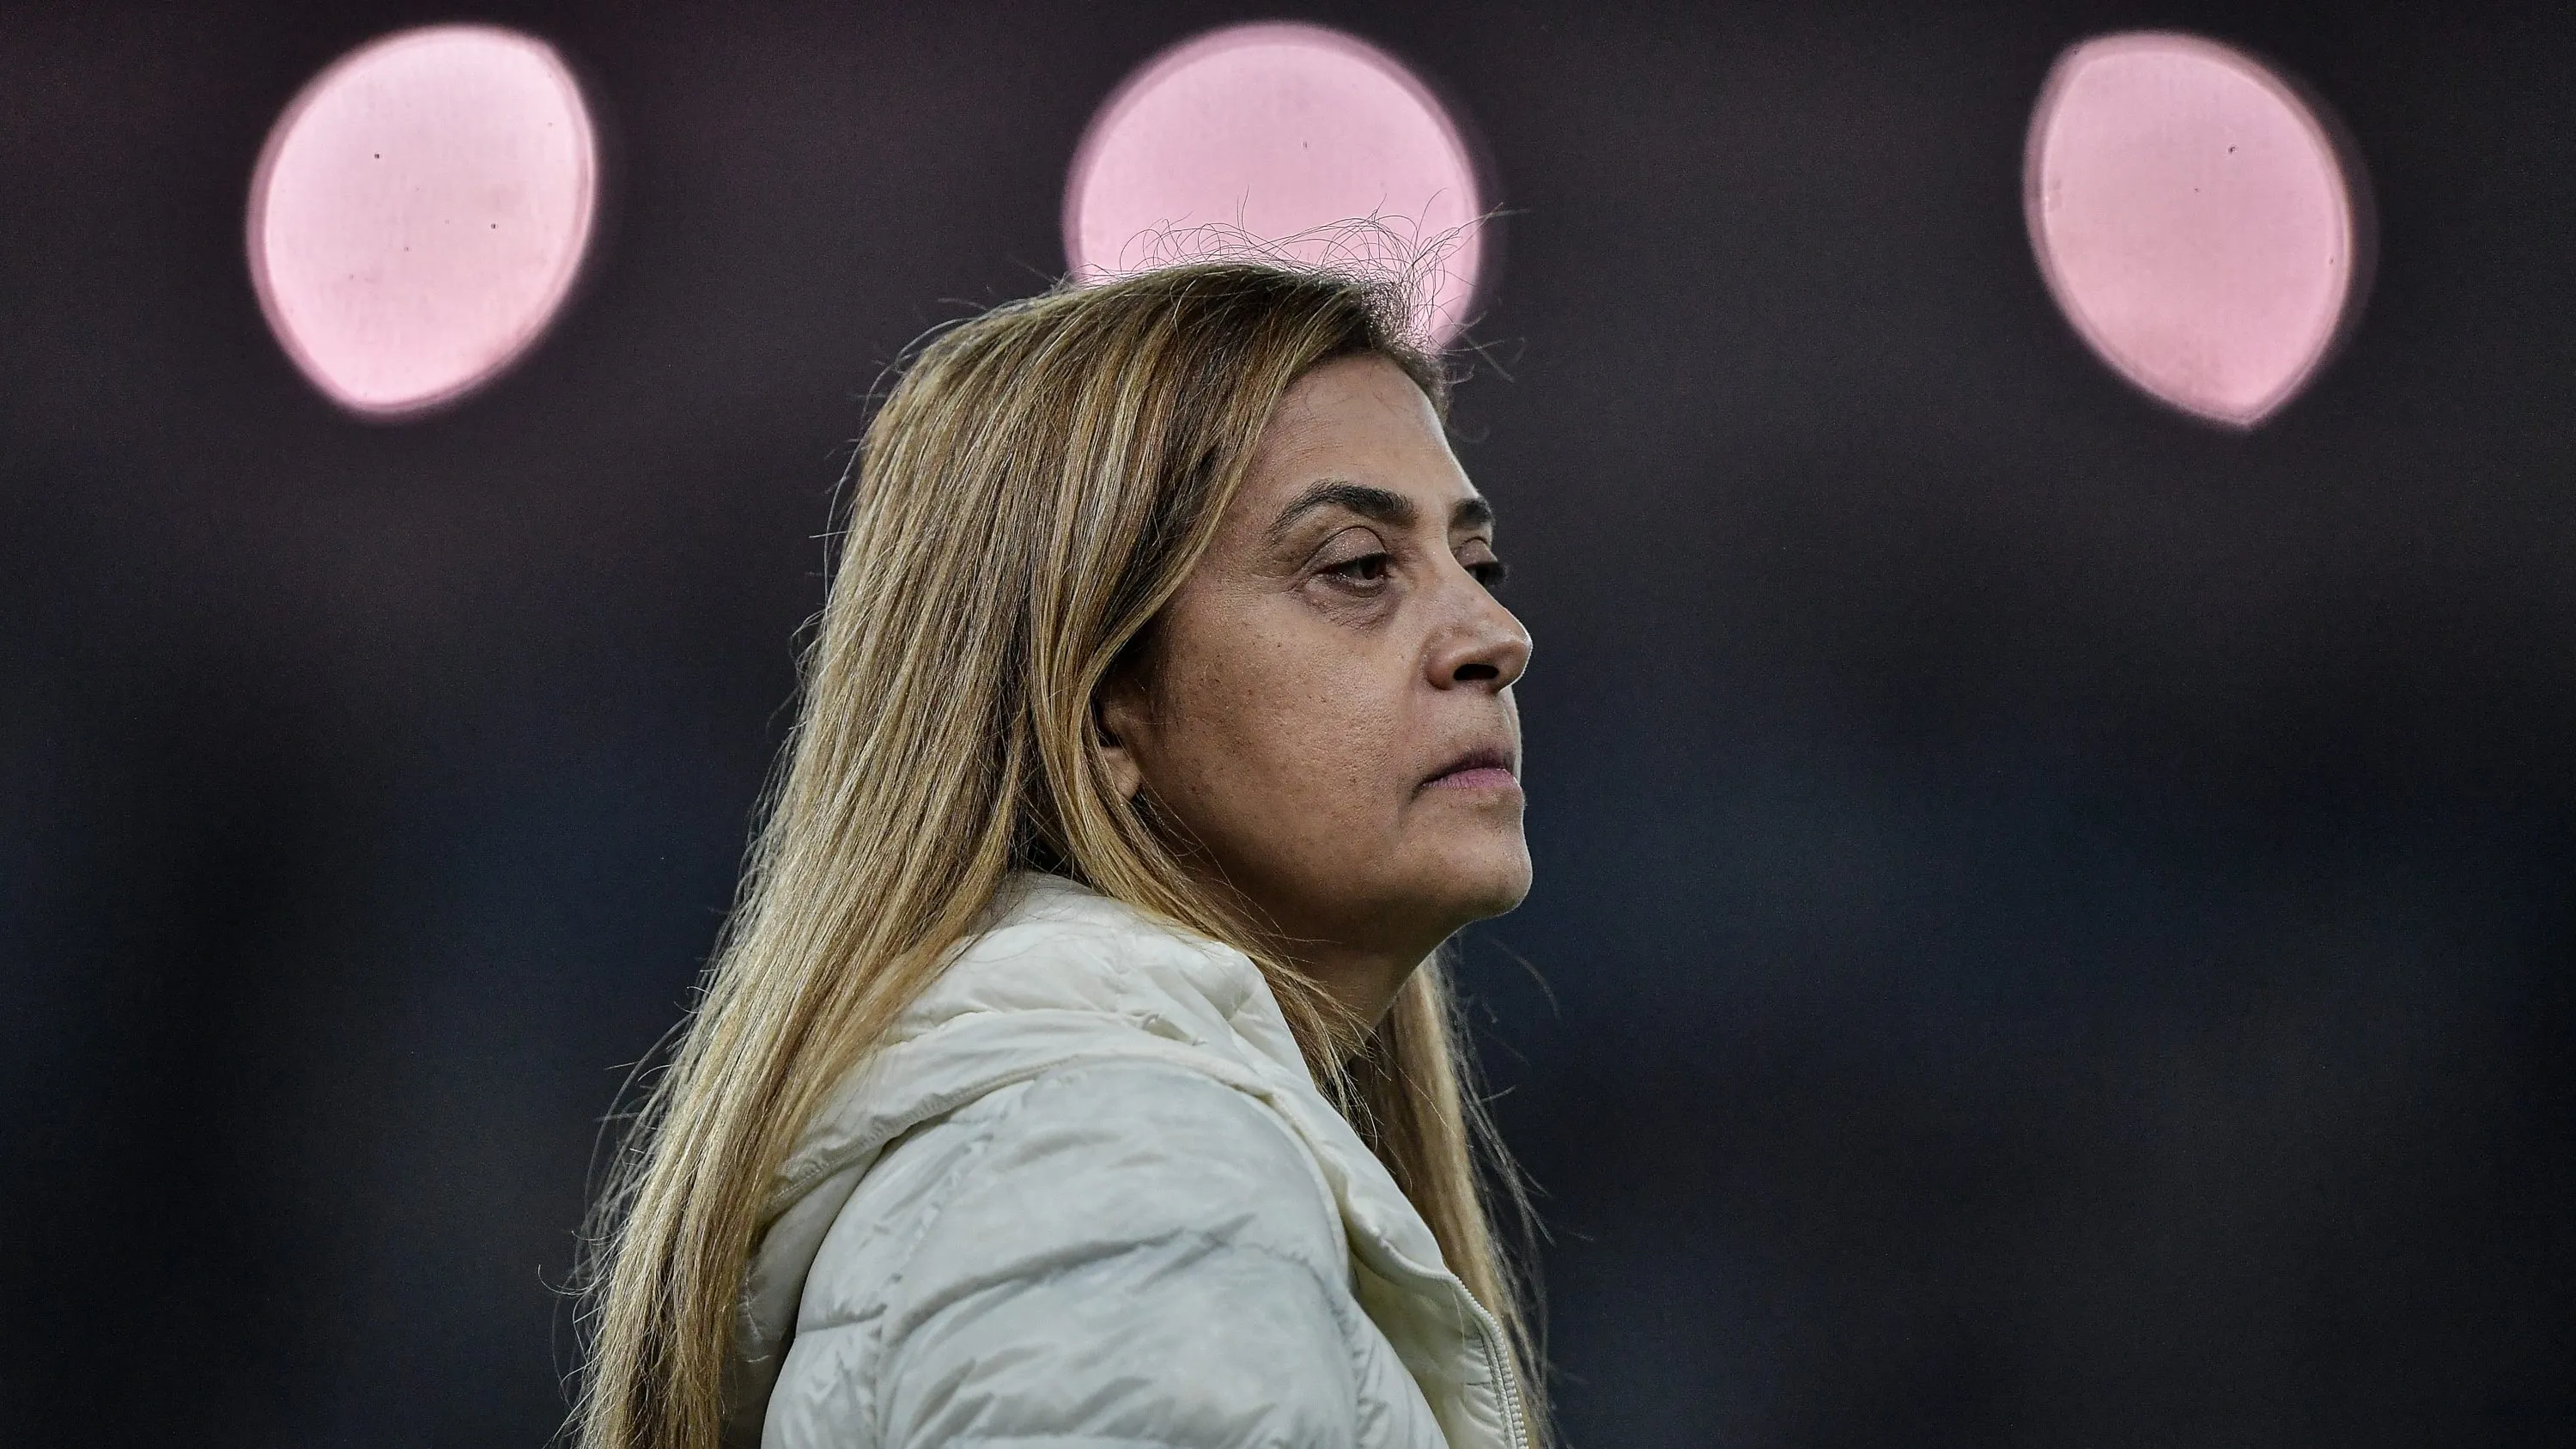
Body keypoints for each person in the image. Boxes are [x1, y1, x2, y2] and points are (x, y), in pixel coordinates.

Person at [576, 259, 1546, 1449]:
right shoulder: (1127, 1182)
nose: (1497, 637)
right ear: (1098, 706)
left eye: (1476, 566)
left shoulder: (1094, 1161)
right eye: (1356, 568)